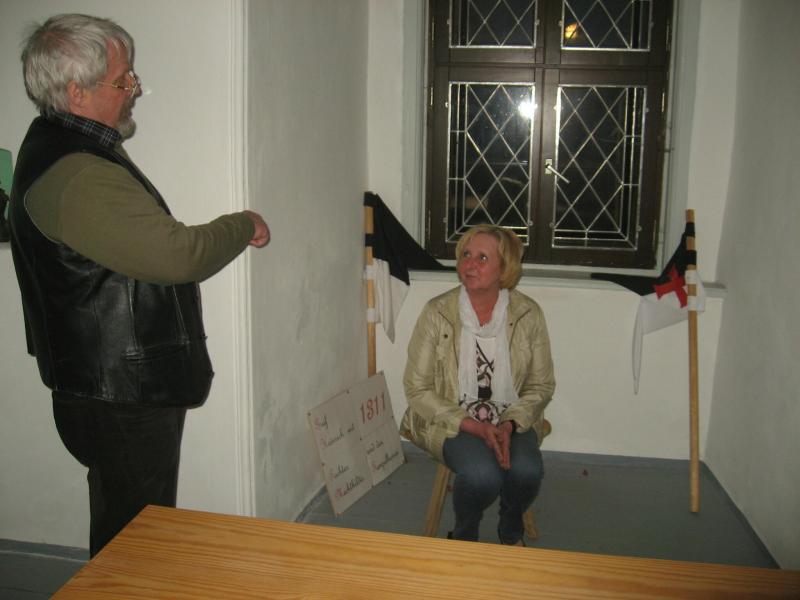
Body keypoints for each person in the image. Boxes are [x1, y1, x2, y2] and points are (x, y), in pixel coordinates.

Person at [9, 14, 270, 556]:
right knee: (136, 541)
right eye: (123, 79)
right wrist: (242, 224)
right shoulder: (80, 174)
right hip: (122, 394)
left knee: (123, 525)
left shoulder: (61, 148)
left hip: (105, 386)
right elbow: (178, 255)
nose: (135, 88)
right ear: (77, 92)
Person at [400, 224, 555, 545]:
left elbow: (541, 384)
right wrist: (473, 425)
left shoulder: (528, 314)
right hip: (452, 419)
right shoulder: (437, 313)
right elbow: (417, 388)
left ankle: (510, 531)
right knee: (482, 475)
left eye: (482, 258)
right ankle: (464, 537)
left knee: (527, 471)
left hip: (512, 417)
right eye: (466, 255)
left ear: (504, 268)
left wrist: (510, 424)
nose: (469, 264)